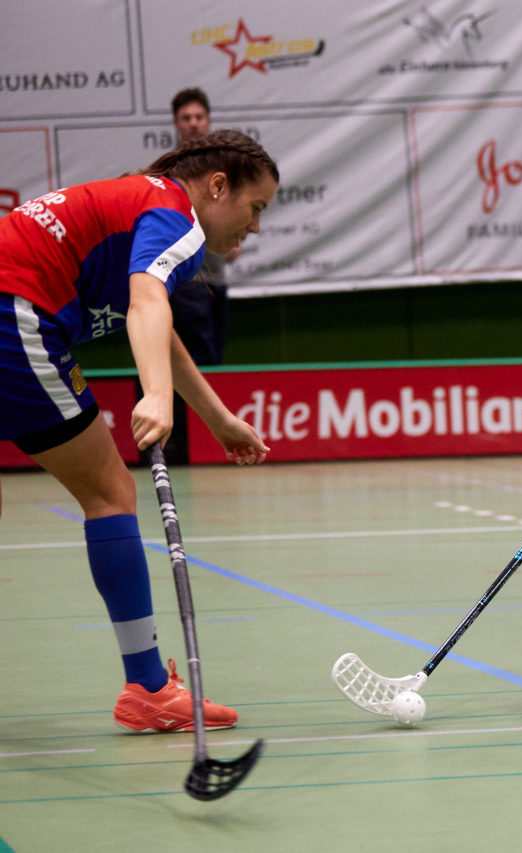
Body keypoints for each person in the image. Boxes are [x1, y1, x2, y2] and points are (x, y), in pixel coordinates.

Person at [0, 129, 279, 731]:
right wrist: (155, 398)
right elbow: (147, 301)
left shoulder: (146, 200)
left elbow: (159, 324)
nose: (254, 226)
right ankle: (149, 687)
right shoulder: (175, 212)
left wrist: (217, 418)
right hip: (11, 309)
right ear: (218, 186)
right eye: (255, 208)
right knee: (109, 493)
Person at [169, 88, 236, 366]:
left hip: (217, 280)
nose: (193, 123)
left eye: (198, 116)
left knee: (213, 364)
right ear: (176, 124)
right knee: (197, 366)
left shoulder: (224, 168)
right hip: (185, 283)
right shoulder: (170, 169)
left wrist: (233, 236)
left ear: (208, 121)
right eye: (186, 118)